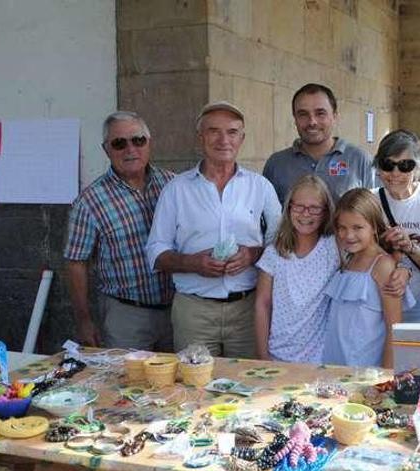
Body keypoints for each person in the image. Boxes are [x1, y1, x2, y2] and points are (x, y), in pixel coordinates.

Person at [146, 101, 282, 358]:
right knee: (195, 387)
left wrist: (252, 255)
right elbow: (156, 250)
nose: (223, 140)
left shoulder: (260, 187)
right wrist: (192, 263)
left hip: (248, 308)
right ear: (200, 137)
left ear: (242, 139)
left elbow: (282, 244)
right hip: (194, 312)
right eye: (213, 131)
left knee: (250, 385)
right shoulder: (177, 189)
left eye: (232, 132)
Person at [254, 175, 413, 363]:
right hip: (288, 355)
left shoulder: (334, 247)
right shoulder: (276, 253)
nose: (306, 213)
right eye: (299, 206)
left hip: (329, 361)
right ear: (288, 208)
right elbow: (262, 303)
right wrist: (262, 355)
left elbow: (380, 249)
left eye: (314, 208)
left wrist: (404, 268)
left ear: (325, 212)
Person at [64, 111, 175, 350]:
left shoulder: (173, 185)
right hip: (126, 316)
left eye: (138, 140)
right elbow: (76, 263)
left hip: (178, 311)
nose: (130, 149)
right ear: (106, 150)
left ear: (149, 143)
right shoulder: (90, 201)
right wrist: (84, 321)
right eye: (119, 143)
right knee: (128, 385)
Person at [323, 189, 414, 368]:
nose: (348, 235)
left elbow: (393, 329)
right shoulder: (348, 258)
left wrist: (386, 381)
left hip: (366, 372)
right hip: (336, 366)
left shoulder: (382, 266)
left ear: (373, 226)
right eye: (342, 228)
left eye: (357, 227)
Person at [371, 129, 420, 322]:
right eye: (388, 164)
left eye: (405, 165)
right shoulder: (370, 201)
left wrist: (410, 247)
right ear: (378, 168)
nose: (395, 173)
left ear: (417, 168)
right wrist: (380, 245)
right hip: (377, 308)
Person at [263, 83, 375, 203]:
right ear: (295, 119)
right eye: (303, 114)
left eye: (320, 113)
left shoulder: (360, 160)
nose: (312, 122)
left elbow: (375, 214)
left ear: (335, 116)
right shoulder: (276, 164)